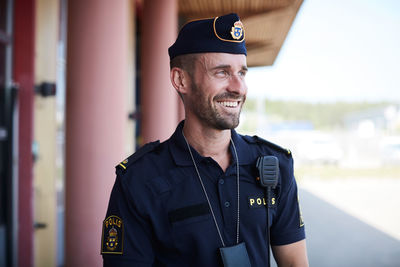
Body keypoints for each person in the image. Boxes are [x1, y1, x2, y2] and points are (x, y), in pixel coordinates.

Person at [101, 13, 308, 267]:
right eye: (222, 72)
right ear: (181, 80)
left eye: (241, 73)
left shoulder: (275, 165)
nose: (238, 87)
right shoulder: (138, 180)